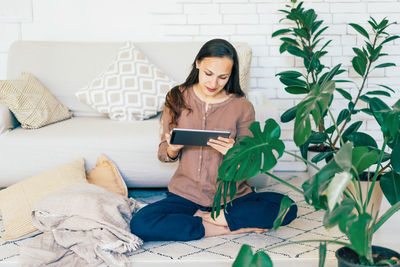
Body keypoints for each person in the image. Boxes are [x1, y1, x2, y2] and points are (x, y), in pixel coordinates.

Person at [130, 39, 297, 241]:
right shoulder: (176, 97)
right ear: (198, 63)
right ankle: (225, 227)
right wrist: (172, 149)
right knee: (140, 223)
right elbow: (163, 153)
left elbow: (251, 164)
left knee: (288, 207)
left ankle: (215, 218)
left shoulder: (242, 107)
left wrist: (235, 153)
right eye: (208, 74)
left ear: (231, 74)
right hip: (185, 196)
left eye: (222, 77)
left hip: (232, 197)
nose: (213, 83)